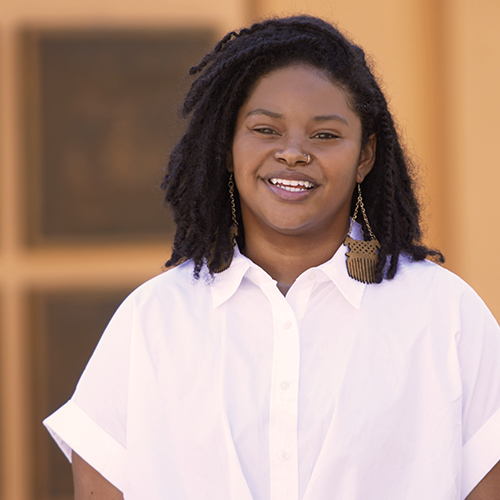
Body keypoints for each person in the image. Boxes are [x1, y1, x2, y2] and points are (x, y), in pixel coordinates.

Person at [44, 15, 500, 500]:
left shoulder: (447, 315)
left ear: (365, 155)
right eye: (265, 129)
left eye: (325, 135)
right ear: (227, 146)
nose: (293, 153)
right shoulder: (152, 321)